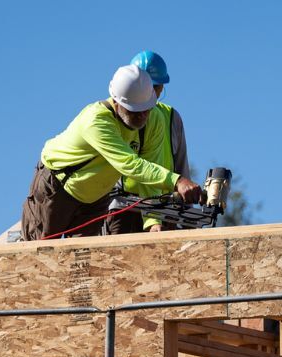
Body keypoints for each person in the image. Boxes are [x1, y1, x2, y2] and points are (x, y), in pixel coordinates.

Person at [21, 64, 201, 241]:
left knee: (81, 260)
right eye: (133, 111)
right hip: (58, 187)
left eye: (145, 109)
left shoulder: (153, 122)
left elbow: (147, 175)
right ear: (116, 102)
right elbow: (130, 165)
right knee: (40, 251)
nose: (141, 116)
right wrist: (177, 180)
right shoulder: (97, 120)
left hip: (96, 197)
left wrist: (153, 220)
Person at [106, 50, 191, 235]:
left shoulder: (170, 118)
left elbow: (181, 166)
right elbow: (135, 166)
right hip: (124, 206)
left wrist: (186, 211)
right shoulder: (117, 116)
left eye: (155, 88)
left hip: (164, 207)